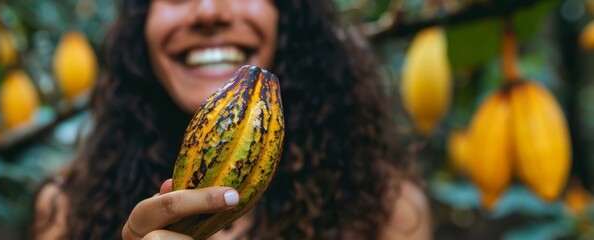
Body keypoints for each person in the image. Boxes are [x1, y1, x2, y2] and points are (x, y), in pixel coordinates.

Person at [32, 0, 432, 239]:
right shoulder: (67, 210)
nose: (209, 11)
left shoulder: (387, 211)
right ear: (143, 27)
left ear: (287, 17)